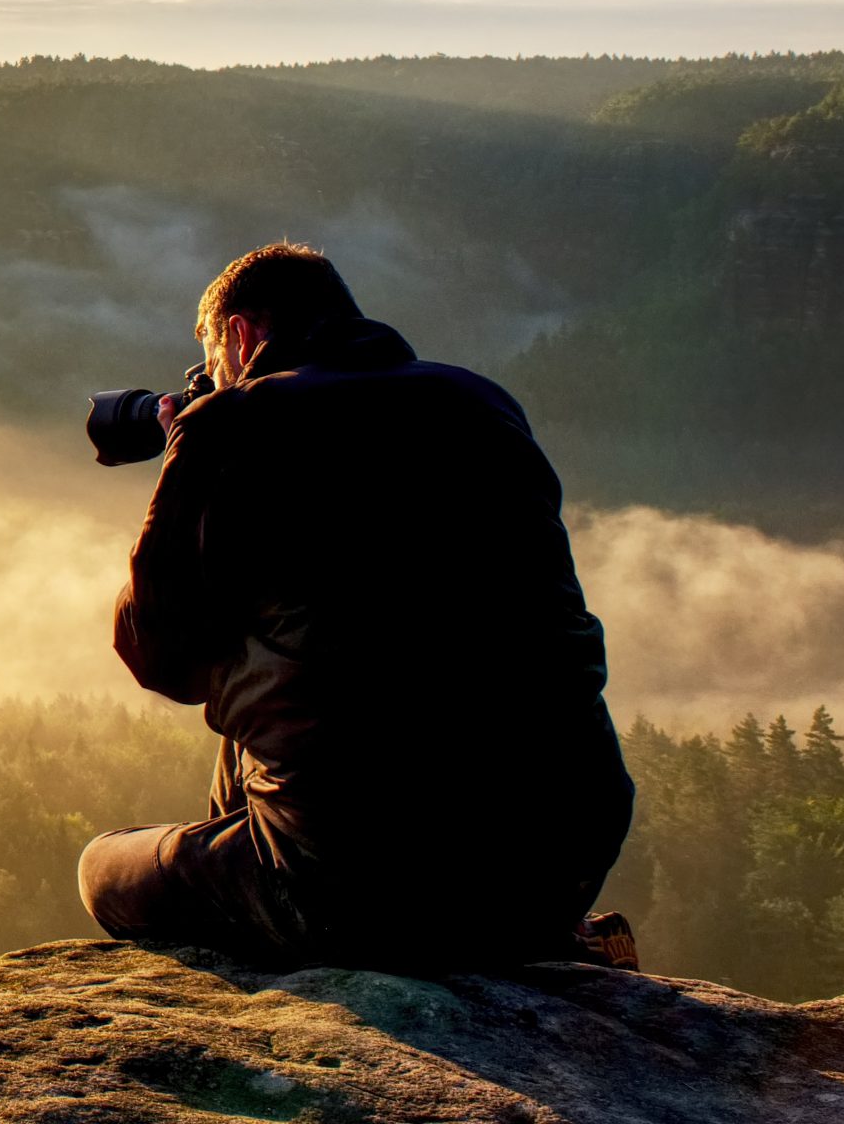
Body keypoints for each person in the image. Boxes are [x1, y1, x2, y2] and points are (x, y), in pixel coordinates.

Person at [76, 242, 638, 973]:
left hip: (357, 892)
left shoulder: (231, 426)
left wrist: (192, 445)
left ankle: (287, 957)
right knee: (291, 682)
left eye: (213, 362)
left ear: (242, 336)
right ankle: (538, 937)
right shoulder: (480, 401)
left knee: (104, 868)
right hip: (561, 857)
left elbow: (160, 659)